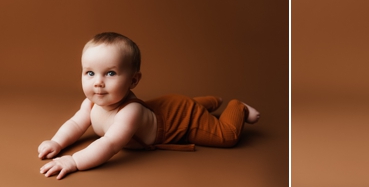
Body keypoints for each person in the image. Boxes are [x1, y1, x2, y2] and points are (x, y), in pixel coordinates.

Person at [38, 31, 259, 179]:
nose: (98, 82)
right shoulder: (90, 103)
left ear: (133, 80)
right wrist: (57, 142)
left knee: (226, 136)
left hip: (182, 120)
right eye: (89, 73)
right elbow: (75, 124)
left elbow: (109, 144)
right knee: (177, 104)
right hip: (166, 106)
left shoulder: (130, 112)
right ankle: (209, 101)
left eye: (111, 73)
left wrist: (74, 161)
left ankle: (236, 106)